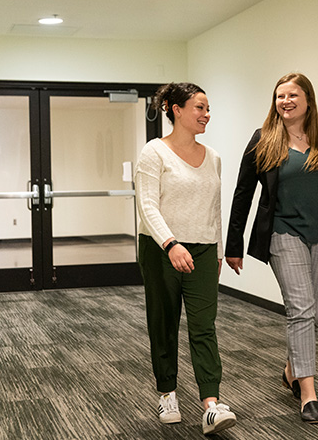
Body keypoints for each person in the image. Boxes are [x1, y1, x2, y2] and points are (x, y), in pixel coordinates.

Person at [225, 72, 318, 424]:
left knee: (313, 315)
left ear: (308, 100)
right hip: (283, 234)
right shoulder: (263, 140)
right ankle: (308, 393)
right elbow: (243, 194)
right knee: (300, 309)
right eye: (279, 96)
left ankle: (291, 368)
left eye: (292, 95)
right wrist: (234, 245)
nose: (285, 101)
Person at [134, 82, 236, 435]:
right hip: (161, 250)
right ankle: (167, 393)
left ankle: (211, 402)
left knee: (204, 326)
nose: (206, 115)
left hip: (204, 250)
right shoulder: (154, 153)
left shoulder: (214, 157)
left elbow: (214, 208)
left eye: (208, 109)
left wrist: (218, 249)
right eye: (199, 107)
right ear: (175, 109)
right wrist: (171, 243)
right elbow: (147, 205)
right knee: (164, 323)